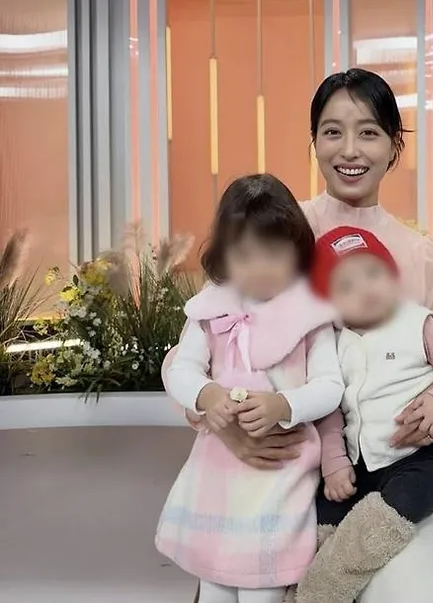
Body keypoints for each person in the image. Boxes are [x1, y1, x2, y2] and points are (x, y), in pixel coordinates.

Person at [168, 68, 433, 603]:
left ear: (394, 145)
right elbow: (197, 348)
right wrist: (230, 432)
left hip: (381, 473)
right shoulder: (277, 228)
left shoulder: (425, 260)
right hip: (277, 470)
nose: (349, 149)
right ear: (313, 141)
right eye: (332, 132)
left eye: (369, 132)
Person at [156, 174, 345, 603]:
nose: (259, 268)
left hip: (280, 475)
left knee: (264, 584)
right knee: (215, 579)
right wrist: (207, 396)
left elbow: (330, 386)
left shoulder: (309, 313)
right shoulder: (211, 308)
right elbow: (182, 370)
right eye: (244, 255)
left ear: (297, 250)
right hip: (218, 476)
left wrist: (283, 404)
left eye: (273, 254)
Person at [293, 226, 433, 602]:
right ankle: (312, 577)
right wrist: (334, 463)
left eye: (373, 273)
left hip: (416, 460)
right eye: (346, 286)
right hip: (360, 466)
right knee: (324, 511)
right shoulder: (334, 344)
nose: (366, 289)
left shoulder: (417, 324)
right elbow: (330, 412)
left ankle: (330, 579)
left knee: (408, 499)